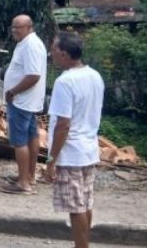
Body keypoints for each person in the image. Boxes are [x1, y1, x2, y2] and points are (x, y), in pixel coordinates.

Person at [45, 32, 104, 248]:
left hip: (70, 154)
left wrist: (52, 160)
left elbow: (63, 125)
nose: (51, 55)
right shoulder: (94, 76)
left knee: (75, 207)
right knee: (85, 202)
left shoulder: (65, 82)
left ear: (63, 54)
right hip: (88, 149)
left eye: (53, 52)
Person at [0, 15, 47, 195]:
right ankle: (29, 176)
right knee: (31, 136)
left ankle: (23, 183)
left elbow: (33, 76)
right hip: (27, 101)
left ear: (29, 27)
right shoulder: (28, 43)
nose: (14, 31)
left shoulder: (31, 45)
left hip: (21, 101)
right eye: (13, 27)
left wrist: (13, 92)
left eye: (18, 27)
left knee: (20, 142)